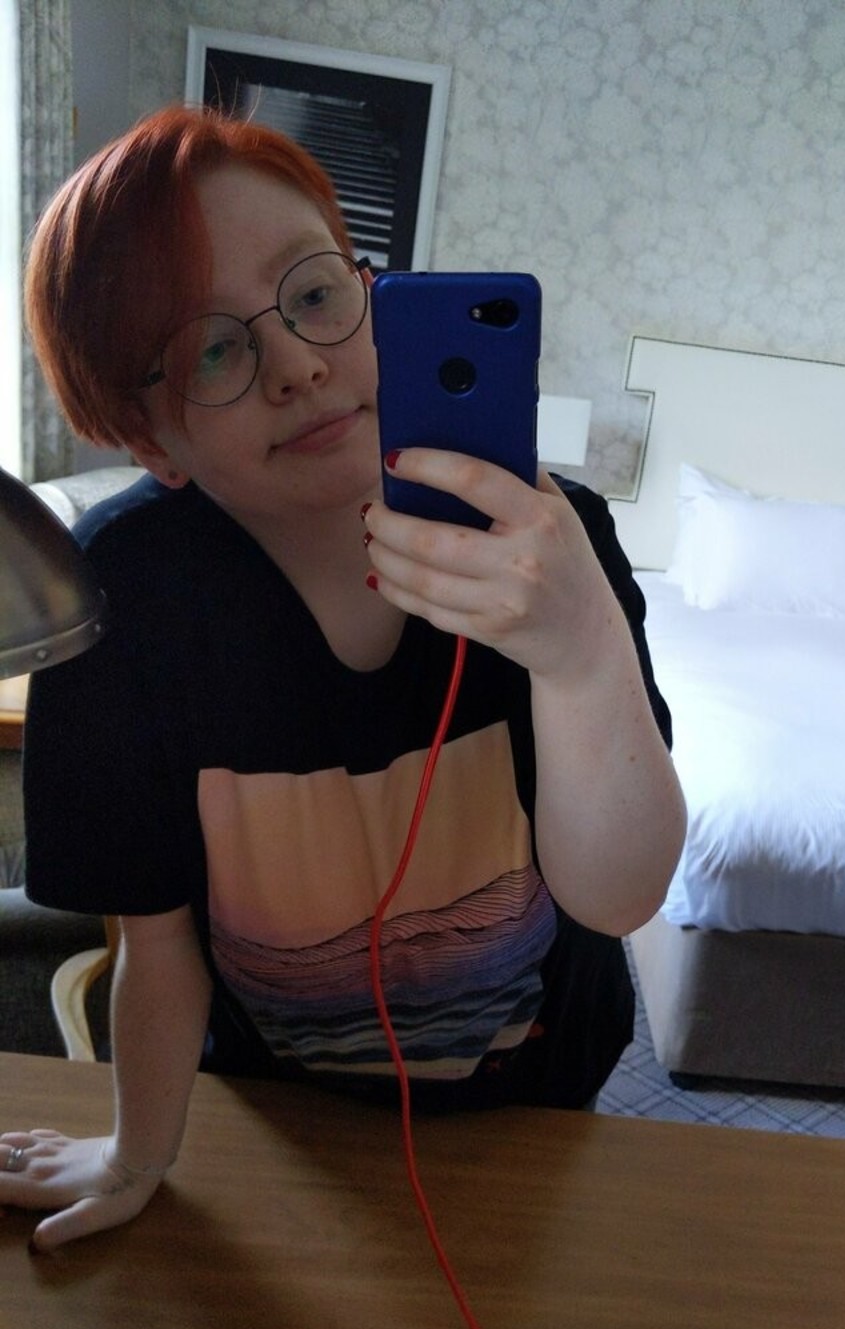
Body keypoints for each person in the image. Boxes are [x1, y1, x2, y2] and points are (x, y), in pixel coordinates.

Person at [1, 105, 685, 1252]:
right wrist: (136, 1155)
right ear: (152, 442)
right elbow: (156, 947)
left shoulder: (543, 547)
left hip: (540, 1096)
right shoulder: (124, 607)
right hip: (281, 1117)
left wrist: (580, 649)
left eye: (316, 293)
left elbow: (620, 897)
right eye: (213, 350)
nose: (298, 365)